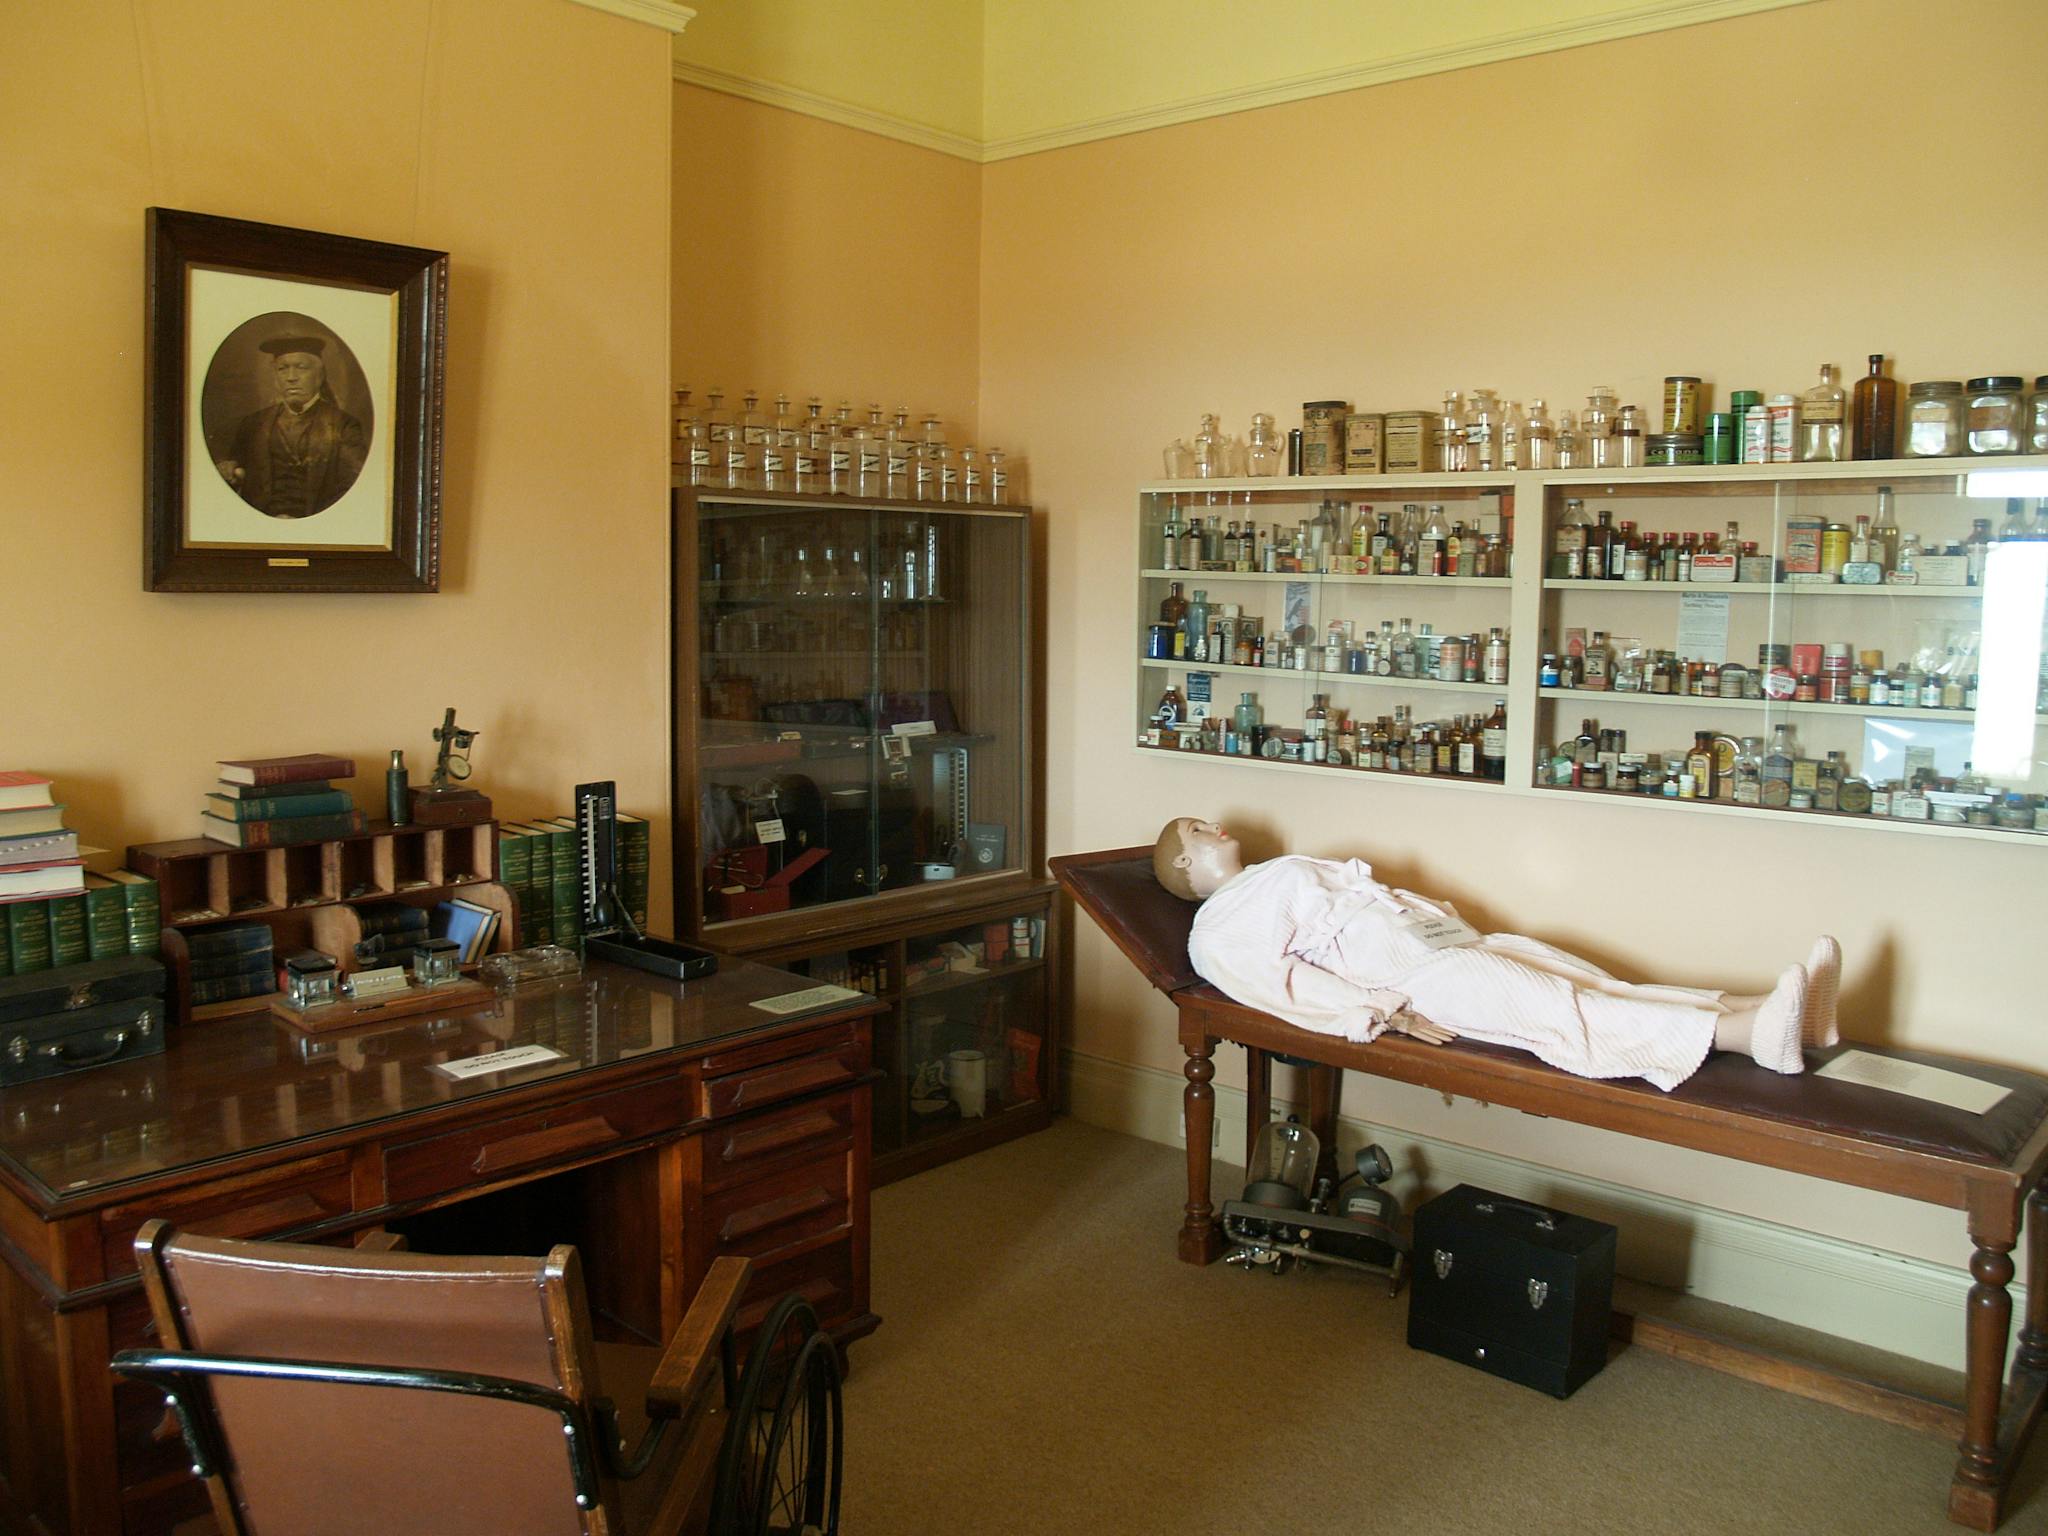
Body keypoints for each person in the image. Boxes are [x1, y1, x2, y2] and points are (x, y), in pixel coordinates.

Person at [1156, 818, 1840, 1092]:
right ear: (1186, 860)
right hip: (1408, 977)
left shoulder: (1272, 872)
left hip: (1443, 944)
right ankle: (1750, 1037)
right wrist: (1374, 1011)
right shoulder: (1215, 932)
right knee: (1561, 1011)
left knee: (1584, 979)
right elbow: (1281, 987)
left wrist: (1445, 923)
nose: (1215, 825)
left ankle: (1772, 1015)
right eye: (1197, 828)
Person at [215, 335, 368, 518]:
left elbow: (353, 489)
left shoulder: (344, 426)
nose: (291, 378)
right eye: (282, 369)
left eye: (301, 368)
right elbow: (231, 473)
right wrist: (228, 470)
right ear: (275, 378)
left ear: (319, 376)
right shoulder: (253, 424)